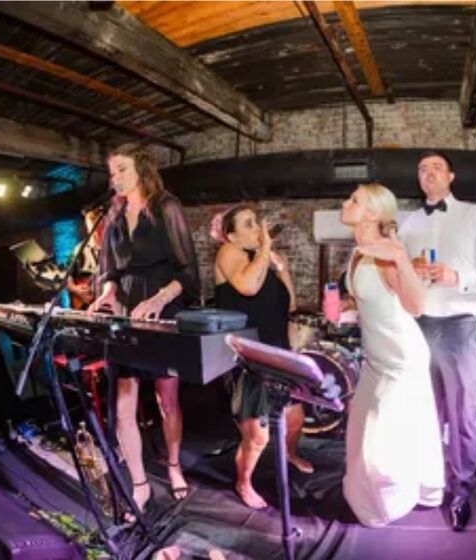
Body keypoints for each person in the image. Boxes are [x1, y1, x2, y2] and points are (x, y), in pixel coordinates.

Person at [398, 151, 476, 531]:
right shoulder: (408, 222)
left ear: (451, 176)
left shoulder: (474, 216)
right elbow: (397, 276)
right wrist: (410, 271)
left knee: (462, 414)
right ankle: (429, 483)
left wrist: (457, 277)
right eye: (422, 168)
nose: (428, 173)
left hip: (461, 326)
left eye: (436, 168)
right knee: (424, 412)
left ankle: (462, 490)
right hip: (418, 325)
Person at [88, 145, 201, 516]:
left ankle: (173, 465)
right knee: (123, 405)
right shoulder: (114, 215)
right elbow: (110, 270)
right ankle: (139, 483)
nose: (115, 178)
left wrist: (159, 298)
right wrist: (107, 293)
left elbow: (187, 271)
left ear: (142, 169)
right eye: (112, 172)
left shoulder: (166, 206)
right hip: (126, 313)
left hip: (162, 308)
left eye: (121, 169)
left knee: (167, 399)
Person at [339, 183, 444, 527]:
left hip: (401, 358)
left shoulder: (387, 253)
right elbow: (373, 298)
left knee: (379, 445)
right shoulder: (359, 251)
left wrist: (401, 259)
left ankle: (387, 506)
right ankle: (380, 496)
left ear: (371, 213)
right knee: (359, 429)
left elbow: (416, 306)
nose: (345, 203)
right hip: (377, 358)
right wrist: (347, 308)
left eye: (354, 200)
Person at [212, 205, 312, 510]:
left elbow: (289, 304)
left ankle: (290, 453)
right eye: (249, 223)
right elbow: (246, 286)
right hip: (248, 357)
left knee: (295, 419)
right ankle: (243, 482)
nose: (258, 227)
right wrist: (266, 248)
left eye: (257, 222)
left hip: (278, 350)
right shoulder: (230, 252)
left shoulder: (260, 261)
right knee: (257, 436)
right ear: (232, 235)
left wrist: (281, 269)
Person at [66, 208, 105, 310]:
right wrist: (76, 290)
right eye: (94, 231)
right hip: (84, 309)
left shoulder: (114, 249)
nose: (98, 234)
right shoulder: (79, 249)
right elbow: (66, 276)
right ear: (87, 228)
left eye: (101, 230)